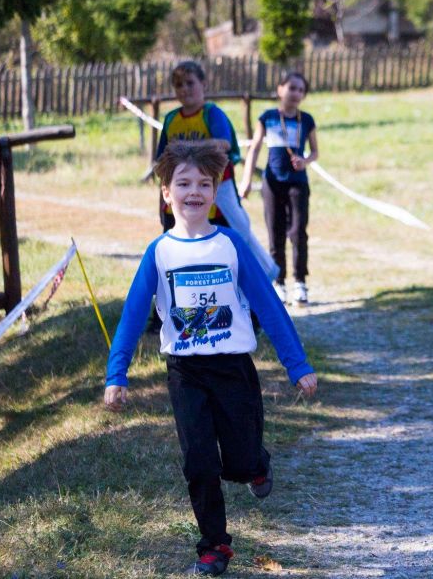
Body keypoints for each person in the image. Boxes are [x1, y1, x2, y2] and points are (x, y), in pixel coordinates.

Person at [104, 140, 318, 577]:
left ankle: (257, 463)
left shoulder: (231, 245)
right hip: (186, 372)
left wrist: (298, 365)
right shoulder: (159, 253)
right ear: (166, 193)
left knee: (238, 463)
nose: (194, 191)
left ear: (218, 190)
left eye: (204, 183)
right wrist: (117, 374)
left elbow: (269, 307)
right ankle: (214, 545)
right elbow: (131, 315)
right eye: (183, 183)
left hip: (234, 368)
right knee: (199, 462)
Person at [155, 60, 279, 281]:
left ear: (203, 83)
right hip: (183, 187)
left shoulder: (211, 113)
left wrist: (187, 148)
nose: (184, 89)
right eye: (179, 85)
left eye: (190, 83)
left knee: (239, 231)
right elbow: (162, 157)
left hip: (218, 184)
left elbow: (223, 143)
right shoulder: (172, 119)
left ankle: (264, 276)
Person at [240, 72, 318, 306]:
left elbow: (315, 151)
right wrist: (245, 181)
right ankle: (279, 282)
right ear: (280, 89)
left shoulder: (307, 120)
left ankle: (300, 283)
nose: (295, 93)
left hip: (298, 183)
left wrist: (305, 161)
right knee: (275, 233)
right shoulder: (268, 117)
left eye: (300, 90)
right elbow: (254, 149)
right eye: (292, 88)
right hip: (272, 183)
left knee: (297, 232)